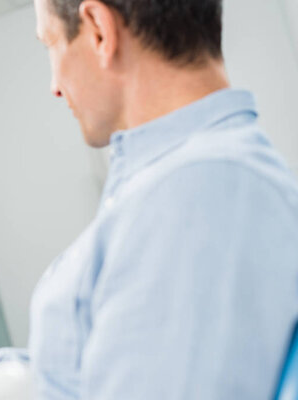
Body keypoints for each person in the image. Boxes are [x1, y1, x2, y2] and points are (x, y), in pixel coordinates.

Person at [29, 0, 298, 398]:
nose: (54, 84)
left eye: (50, 44)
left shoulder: (198, 192)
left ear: (99, 30)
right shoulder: (182, 182)